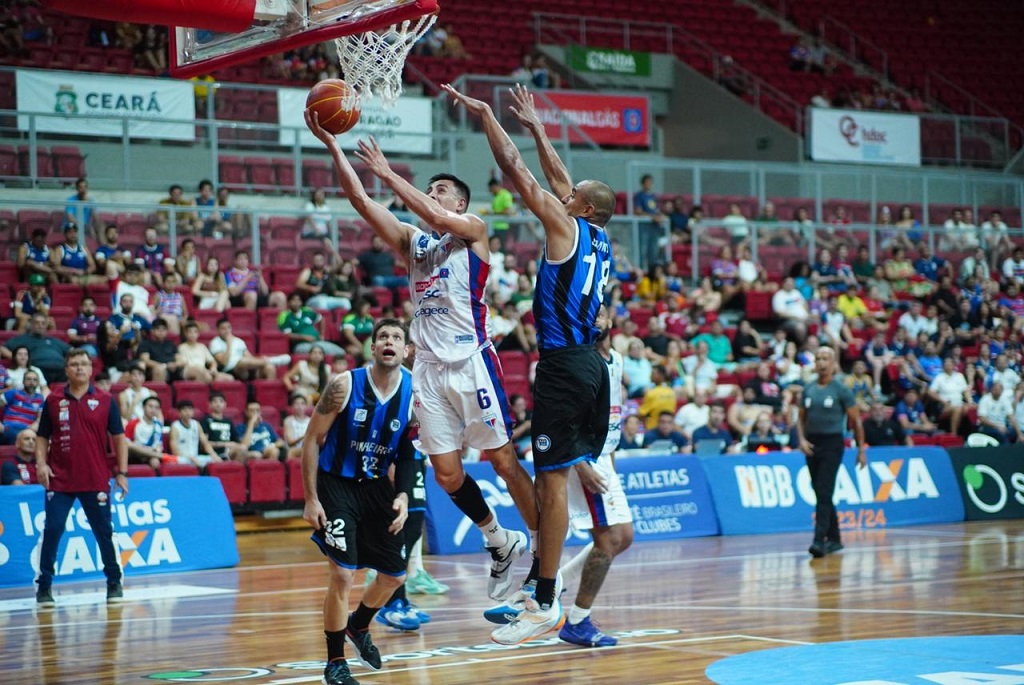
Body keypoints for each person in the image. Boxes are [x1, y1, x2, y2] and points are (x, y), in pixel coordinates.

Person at [306, 107, 536, 610]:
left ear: (460, 202)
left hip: (472, 359)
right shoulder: (415, 243)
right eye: (428, 189)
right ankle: (499, 538)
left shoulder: (473, 230)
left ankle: (544, 555)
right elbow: (361, 201)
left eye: (440, 191)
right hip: (430, 370)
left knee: (502, 460)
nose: (432, 196)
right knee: (448, 474)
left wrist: (390, 173)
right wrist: (333, 146)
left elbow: (433, 215)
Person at [446, 82, 617, 643]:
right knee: (554, 478)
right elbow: (562, 178)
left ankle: (546, 601)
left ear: (582, 209)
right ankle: (541, 589)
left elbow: (517, 169)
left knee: (550, 482)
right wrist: (540, 125)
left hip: (567, 366)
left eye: (570, 196)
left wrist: (491, 118)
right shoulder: (595, 234)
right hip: (590, 366)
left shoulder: (566, 225)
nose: (559, 195)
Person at [301, 319, 418, 685]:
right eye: (382, 336)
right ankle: (335, 661)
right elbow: (310, 441)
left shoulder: (414, 392)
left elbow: (407, 450)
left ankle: (359, 626)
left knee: (394, 575)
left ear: (406, 351)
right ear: (372, 348)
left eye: (397, 338)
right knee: (342, 573)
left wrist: (403, 494)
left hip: (376, 487)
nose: (389, 342)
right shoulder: (344, 385)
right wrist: (310, 498)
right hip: (336, 483)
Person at [34, 348, 129, 606]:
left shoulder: (106, 400)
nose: (79, 368)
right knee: (52, 529)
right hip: (60, 478)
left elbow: (119, 438)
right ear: (66, 370)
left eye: (83, 364)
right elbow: (42, 436)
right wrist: (41, 463)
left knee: (103, 532)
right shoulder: (53, 400)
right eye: (74, 364)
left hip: (95, 477)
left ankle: (113, 582)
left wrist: (121, 472)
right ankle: (44, 587)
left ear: (91, 369)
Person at [797, 347, 866, 559]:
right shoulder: (808, 389)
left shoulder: (841, 390)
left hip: (833, 443)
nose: (821, 362)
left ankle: (819, 541)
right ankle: (835, 539)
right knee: (821, 491)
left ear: (834, 362)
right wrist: (801, 439)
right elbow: (800, 418)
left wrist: (861, 450)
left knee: (824, 490)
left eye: (825, 358)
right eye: (818, 358)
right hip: (812, 444)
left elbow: (856, 421)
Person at [2, 313, 71, 383]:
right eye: (37, 323)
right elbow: (2, 349)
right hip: (38, 369)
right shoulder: (22, 339)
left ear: (46, 325)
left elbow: (72, 351)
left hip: (61, 370)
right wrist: (16, 358)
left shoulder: (54, 340)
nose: (40, 325)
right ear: (31, 324)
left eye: (43, 323)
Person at [278, 291, 346, 356]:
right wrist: (304, 337)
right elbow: (287, 334)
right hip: (301, 345)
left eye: (298, 300)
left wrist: (321, 334)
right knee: (318, 352)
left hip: (317, 342)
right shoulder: (285, 316)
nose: (296, 303)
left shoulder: (306, 311)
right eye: (293, 300)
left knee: (341, 352)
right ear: (289, 302)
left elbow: (321, 319)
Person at [168, 400, 220, 468]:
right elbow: (175, 451)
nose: (187, 412)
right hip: (181, 458)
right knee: (186, 461)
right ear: (179, 413)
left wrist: (214, 454)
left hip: (195, 457)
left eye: (190, 409)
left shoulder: (196, 424)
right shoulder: (175, 427)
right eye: (184, 410)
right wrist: (189, 458)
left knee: (214, 460)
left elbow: (205, 443)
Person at [0, 370, 44, 444]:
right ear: (23, 382)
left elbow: (40, 418)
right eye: (28, 379)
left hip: (27, 430)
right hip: (9, 428)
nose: (31, 382)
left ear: (38, 383)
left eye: (34, 380)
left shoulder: (40, 399)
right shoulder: (13, 392)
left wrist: (36, 424)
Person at [201, 392, 247, 462]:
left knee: (246, 450)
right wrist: (224, 444)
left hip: (228, 452)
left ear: (225, 404)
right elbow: (204, 443)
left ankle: (235, 471)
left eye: (221, 401)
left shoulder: (228, 421)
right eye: (215, 401)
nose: (218, 404)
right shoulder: (205, 420)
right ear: (209, 404)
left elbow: (236, 440)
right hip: (213, 452)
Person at [124, 396, 168, 470]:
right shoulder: (133, 423)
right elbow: (127, 444)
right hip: (135, 454)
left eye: (156, 408)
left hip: (151, 454)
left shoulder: (158, 425)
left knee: (155, 462)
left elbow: (159, 445)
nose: (153, 410)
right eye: (150, 406)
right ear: (143, 407)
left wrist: (156, 451)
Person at [283, 393, 310, 460]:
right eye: (296, 404)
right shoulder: (289, 420)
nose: (299, 406)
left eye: (302, 404)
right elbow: (290, 442)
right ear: (292, 406)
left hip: (308, 448)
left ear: (306, 406)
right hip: (294, 449)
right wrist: (305, 436)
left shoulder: (310, 421)